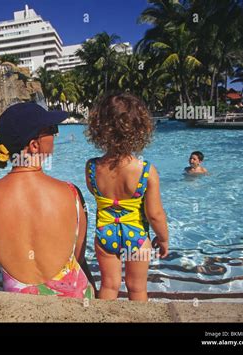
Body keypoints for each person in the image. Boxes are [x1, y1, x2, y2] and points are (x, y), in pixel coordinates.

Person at [0, 102, 96, 299]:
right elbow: (79, 257)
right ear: (34, 145)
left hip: (19, 307)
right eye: (52, 130)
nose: (55, 135)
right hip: (76, 304)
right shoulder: (70, 193)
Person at [85, 93, 169, 301]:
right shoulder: (146, 170)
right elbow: (155, 214)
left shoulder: (92, 167)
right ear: (140, 129)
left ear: (99, 128)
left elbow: (95, 193)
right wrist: (163, 238)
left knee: (109, 285)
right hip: (137, 238)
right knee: (137, 288)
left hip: (105, 234)